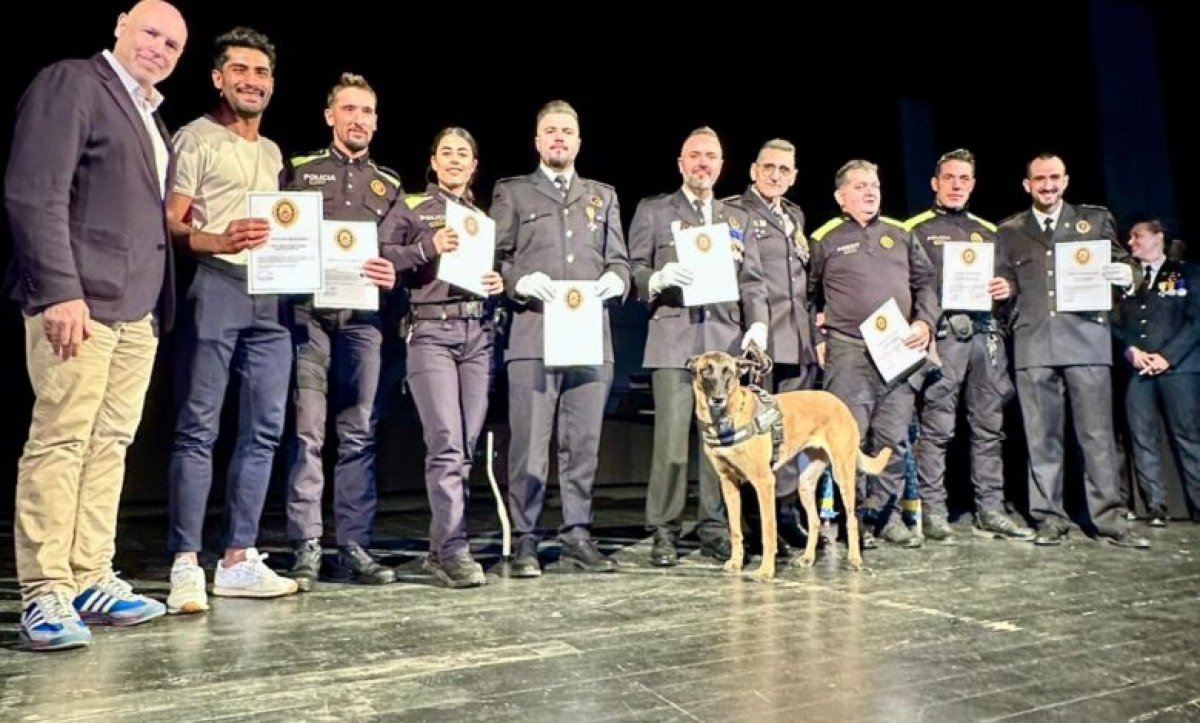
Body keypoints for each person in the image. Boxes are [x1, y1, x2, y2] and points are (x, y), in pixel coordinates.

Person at [4, 0, 186, 651]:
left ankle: (88, 576)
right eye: (150, 32)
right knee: (61, 439)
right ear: (120, 24)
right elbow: (35, 192)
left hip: (137, 310)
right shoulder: (74, 82)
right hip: (80, 301)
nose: (159, 47)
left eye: (172, 44)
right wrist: (59, 290)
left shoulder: (152, 117)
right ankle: (45, 589)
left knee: (109, 442)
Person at [165, 26, 299, 614]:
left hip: (270, 296)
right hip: (216, 284)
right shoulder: (196, 137)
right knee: (199, 426)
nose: (252, 80)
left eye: (262, 72)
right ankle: (185, 562)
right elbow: (170, 221)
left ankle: (238, 558)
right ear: (218, 78)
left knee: (264, 429)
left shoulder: (272, 153)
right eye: (240, 70)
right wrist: (218, 238)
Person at [491, 100, 631, 577]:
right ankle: (525, 539)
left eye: (566, 131)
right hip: (535, 335)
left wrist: (617, 279)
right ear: (537, 141)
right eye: (550, 130)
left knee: (583, 444)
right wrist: (518, 282)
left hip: (590, 338)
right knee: (529, 445)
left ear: (578, 141)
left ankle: (576, 535)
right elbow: (494, 258)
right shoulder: (513, 193)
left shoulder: (602, 196)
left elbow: (620, 260)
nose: (558, 138)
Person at [282, 73, 401, 590]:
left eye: (367, 111)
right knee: (307, 432)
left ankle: (353, 545)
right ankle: (306, 544)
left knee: (358, 434)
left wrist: (393, 269)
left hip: (363, 325)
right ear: (330, 115)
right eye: (349, 109)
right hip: (309, 321)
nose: (359, 119)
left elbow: (403, 250)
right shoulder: (300, 171)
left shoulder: (389, 186)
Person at [629, 127, 769, 566]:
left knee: (721, 445)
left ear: (721, 165)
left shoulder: (738, 218)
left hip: (724, 347)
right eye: (694, 156)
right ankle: (664, 530)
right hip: (674, 344)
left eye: (710, 156)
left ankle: (715, 528)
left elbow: (753, 281)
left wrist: (758, 325)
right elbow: (633, 268)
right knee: (671, 445)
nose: (702, 163)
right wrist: (656, 278)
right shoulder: (654, 211)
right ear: (681, 163)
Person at [995, 152, 1148, 548]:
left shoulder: (1093, 220)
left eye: (1055, 178)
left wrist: (1127, 275)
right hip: (1034, 344)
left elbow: (1125, 264)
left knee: (1097, 436)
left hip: (1086, 341)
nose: (1048, 185)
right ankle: (1049, 518)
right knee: (1041, 439)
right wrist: (1003, 290)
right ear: (1027, 185)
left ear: (1065, 180)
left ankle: (1110, 520)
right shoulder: (1009, 231)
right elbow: (1005, 283)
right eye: (1040, 179)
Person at [379, 127, 504, 587]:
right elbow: (382, 254)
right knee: (447, 443)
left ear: (474, 165)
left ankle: (440, 549)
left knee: (465, 447)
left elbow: (487, 270)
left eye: (463, 154)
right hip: (431, 331)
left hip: (478, 333)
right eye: (446, 153)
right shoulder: (413, 206)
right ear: (433, 161)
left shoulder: (480, 218)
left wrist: (496, 282)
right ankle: (454, 550)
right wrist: (428, 247)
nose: (454, 160)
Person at [905, 149, 1033, 543]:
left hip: (985, 336)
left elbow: (1008, 284)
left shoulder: (989, 231)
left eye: (964, 179)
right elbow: (909, 287)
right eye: (949, 178)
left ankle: (990, 509)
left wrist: (1006, 288)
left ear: (973, 185)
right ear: (935, 183)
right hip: (944, 338)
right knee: (937, 427)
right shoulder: (915, 229)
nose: (956, 185)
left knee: (989, 428)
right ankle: (933, 510)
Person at [808, 160, 938, 548]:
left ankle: (886, 516)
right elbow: (807, 295)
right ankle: (855, 520)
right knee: (849, 438)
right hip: (849, 351)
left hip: (897, 350)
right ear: (841, 197)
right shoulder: (824, 238)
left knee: (892, 437)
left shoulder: (901, 233)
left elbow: (927, 283)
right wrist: (816, 336)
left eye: (874, 186)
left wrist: (925, 322)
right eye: (860, 186)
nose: (870, 192)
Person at [723, 138, 817, 554]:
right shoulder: (734, 211)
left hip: (797, 339)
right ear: (753, 171)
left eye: (784, 170)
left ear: (793, 176)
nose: (776, 175)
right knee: (756, 436)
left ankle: (786, 514)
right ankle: (756, 525)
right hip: (760, 341)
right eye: (769, 167)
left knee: (790, 435)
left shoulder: (794, 215)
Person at [1113, 219, 1200, 525]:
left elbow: (1196, 321)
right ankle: (1155, 504)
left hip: (1179, 368)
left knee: (1188, 435)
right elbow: (1113, 321)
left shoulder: (1187, 273)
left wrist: (1167, 357)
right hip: (1138, 370)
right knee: (1142, 435)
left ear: (1157, 238)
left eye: (1137, 236)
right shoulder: (1126, 279)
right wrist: (1129, 349)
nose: (1131, 243)